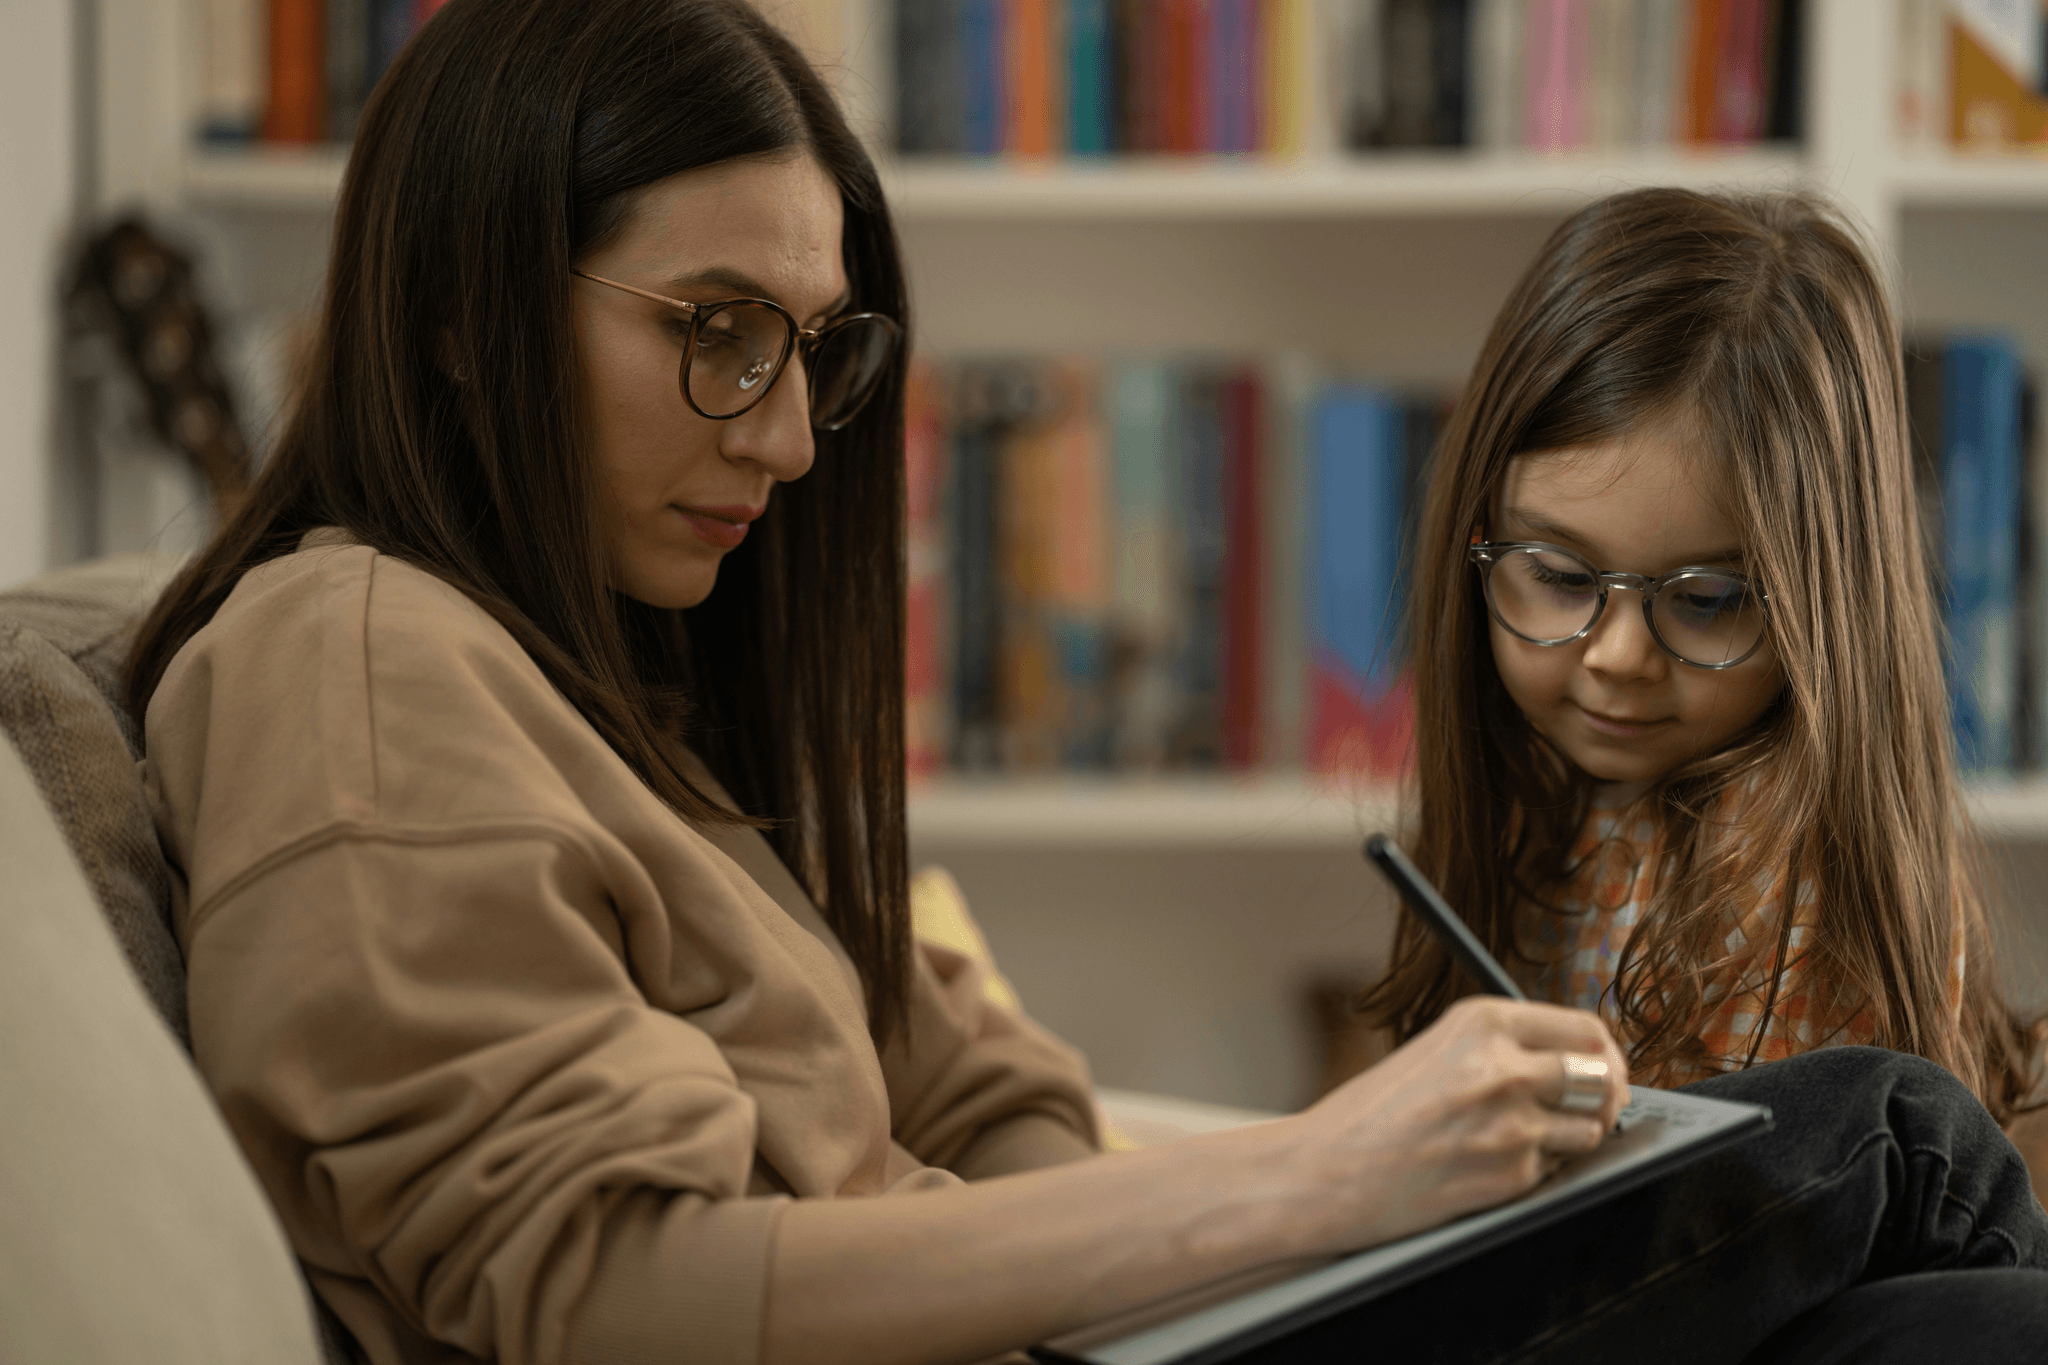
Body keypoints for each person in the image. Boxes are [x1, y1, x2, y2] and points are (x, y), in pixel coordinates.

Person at [125, 3, 2048, 1362]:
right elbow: (606, 1293)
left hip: (1105, 1331)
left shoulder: (620, 705)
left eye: (810, 347)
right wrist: (1304, 1191)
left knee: (1960, 1320)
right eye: (716, 334)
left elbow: (987, 1083)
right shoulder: (356, 658)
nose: (789, 438)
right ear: (461, 317)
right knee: (1887, 1132)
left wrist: (1157, 1263)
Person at [1356, 187, 2047, 1148]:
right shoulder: (1555, 794)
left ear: (1827, 599)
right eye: (1558, 576)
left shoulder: (1784, 871)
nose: (1618, 656)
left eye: (1707, 598)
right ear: (1477, 542)